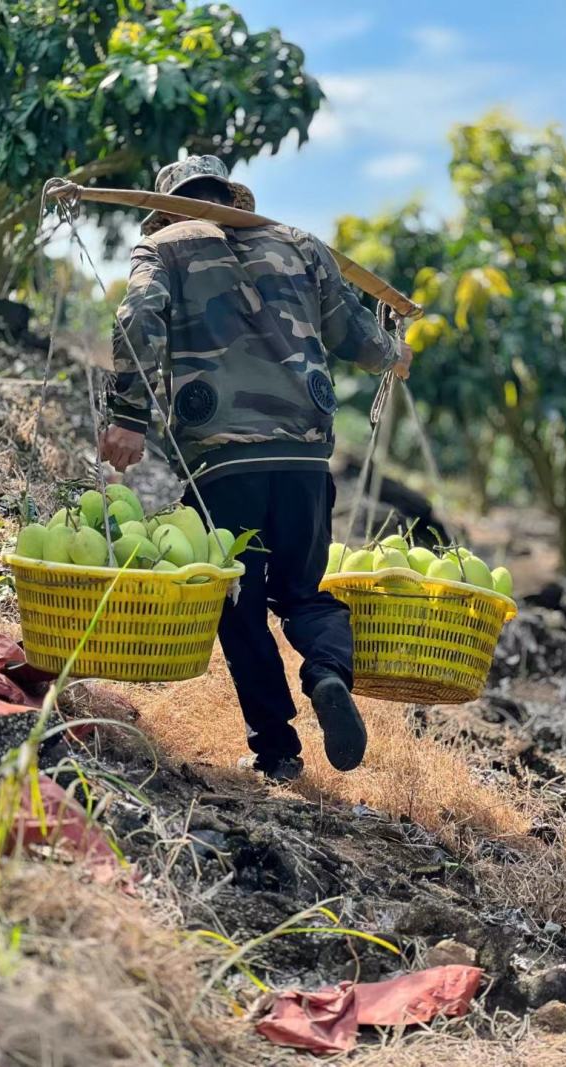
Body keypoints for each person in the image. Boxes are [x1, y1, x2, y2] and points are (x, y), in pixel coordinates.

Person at [100, 155, 412, 783]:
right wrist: (395, 351)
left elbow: (137, 319)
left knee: (239, 608)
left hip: (221, 461)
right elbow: (354, 335)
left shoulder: (161, 247)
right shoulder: (299, 244)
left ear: (168, 206)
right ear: (233, 199)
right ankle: (326, 673)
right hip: (303, 455)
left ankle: (277, 752)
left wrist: (127, 414)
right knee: (302, 593)